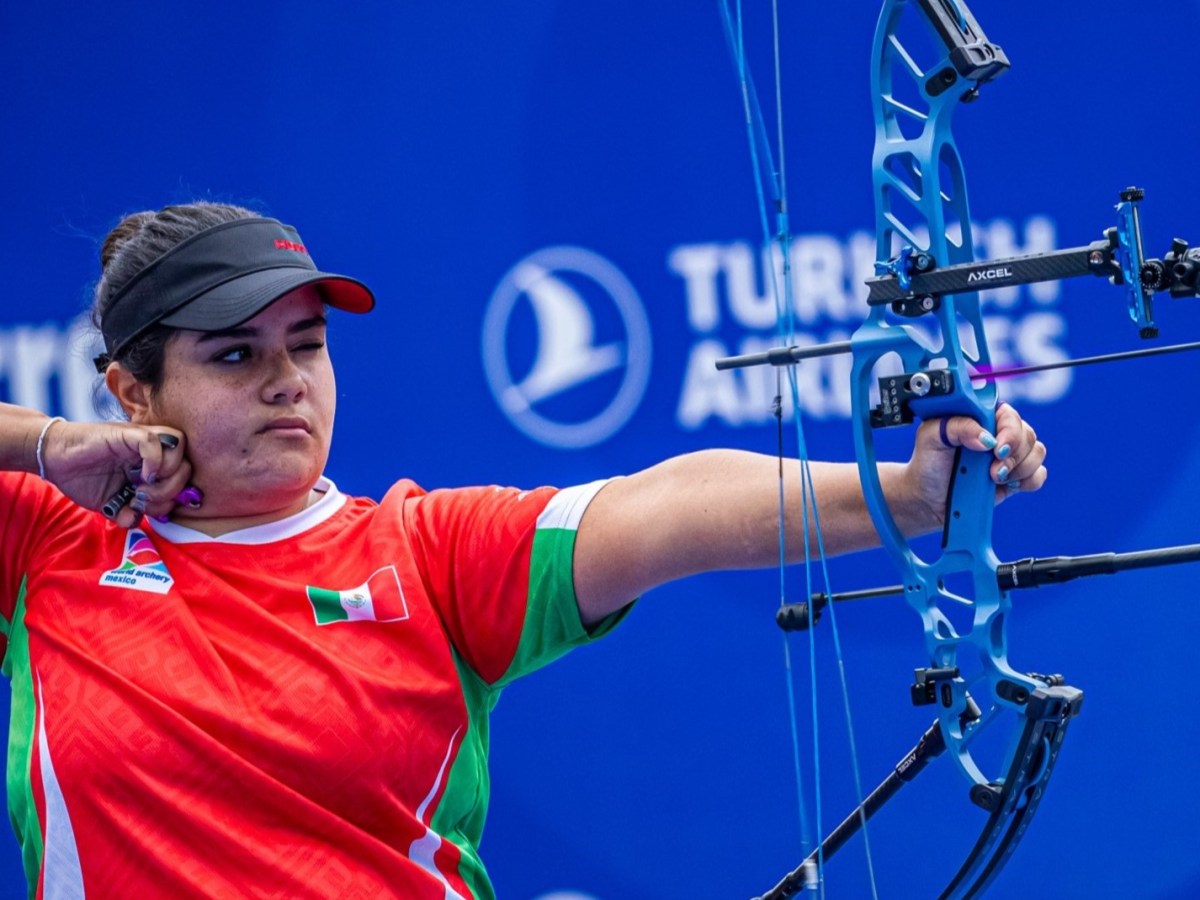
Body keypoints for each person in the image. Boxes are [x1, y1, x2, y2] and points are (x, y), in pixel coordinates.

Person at [0, 202, 1047, 899]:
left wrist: (904, 494)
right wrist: (46, 446)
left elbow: (665, 506)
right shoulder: (46, 543)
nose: (288, 381)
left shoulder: (422, 552)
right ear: (132, 394)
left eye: (307, 346)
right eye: (235, 356)